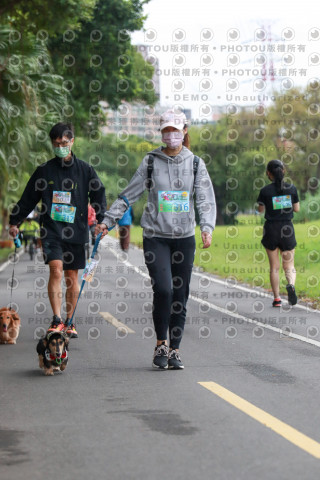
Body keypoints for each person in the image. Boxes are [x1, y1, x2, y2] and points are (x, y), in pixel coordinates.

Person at [96, 108, 216, 369]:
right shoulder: (150, 162)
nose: (171, 135)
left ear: (185, 131)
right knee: (163, 289)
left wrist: (207, 227)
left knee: (180, 294)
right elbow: (129, 195)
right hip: (155, 237)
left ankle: (174, 350)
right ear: (162, 134)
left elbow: (205, 198)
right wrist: (107, 221)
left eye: (176, 130)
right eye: (166, 131)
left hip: (184, 238)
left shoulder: (195, 163)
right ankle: (160, 343)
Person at [9, 122, 107, 338]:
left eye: (64, 143)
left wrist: (102, 220)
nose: (61, 146)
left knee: (72, 275)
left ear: (72, 141)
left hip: (77, 229)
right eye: (56, 144)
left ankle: (70, 321)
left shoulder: (85, 170)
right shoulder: (44, 171)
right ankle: (56, 319)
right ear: (52, 145)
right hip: (52, 230)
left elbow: (99, 194)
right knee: (56, 269)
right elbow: (28, 199)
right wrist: (14, 222)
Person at [257, 159, 300, 307]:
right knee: (289, 265)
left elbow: (260, 210)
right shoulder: (292, 189)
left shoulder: (265, 191)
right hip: (287, 229)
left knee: (274, 266)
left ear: (269, 173)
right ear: (283, 171)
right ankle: (291, 285)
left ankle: (277, 299)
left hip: (271, 229)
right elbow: (297, 209)